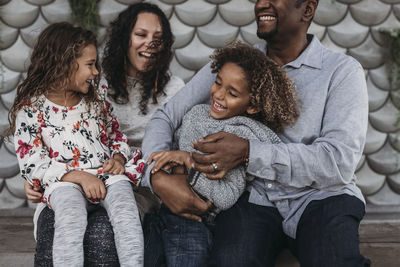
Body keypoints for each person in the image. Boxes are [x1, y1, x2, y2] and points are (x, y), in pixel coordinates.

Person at [142, 0, 371, 266]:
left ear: (307, 9)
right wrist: (156, 176)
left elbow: (338, 161)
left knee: (335, 261)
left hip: (322, 197)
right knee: (230, 260)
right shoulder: (237, 66)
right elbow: (165, 117)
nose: (262, 3)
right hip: (254, 201)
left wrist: (249, 151)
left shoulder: (341, 72)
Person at [22, 3, 184, 265]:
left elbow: (119, 137)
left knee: (102, 230)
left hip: (133, 180)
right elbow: (41, 143)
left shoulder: (174, 89)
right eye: (141, 35)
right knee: (55, 223)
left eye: (158, 38)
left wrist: (120, 159)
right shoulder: (93, 82)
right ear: (124, 38)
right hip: (70, 180)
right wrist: (39, 176)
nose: (151, 44)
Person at [8, 22, 145, 266]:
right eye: (90, 65)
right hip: (65, 183)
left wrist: (119, 158)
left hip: (106, 175)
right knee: (70, 219)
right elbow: (33, 165)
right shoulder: (31, 111)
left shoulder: (95, 98)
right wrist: (80, 177)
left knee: (126, 209)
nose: (95, 72)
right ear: (63, 65)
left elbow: (116, 136)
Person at [148, 41, 298, 220]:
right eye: (217, 83)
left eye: (232, 94)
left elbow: (226, 196)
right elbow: (173, 137)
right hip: (164, 203)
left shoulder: (240, 137)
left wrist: (188, 162)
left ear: (252, 107)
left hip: (195, 217)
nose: (219, 94)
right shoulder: (197, 113)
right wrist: (165, 171)